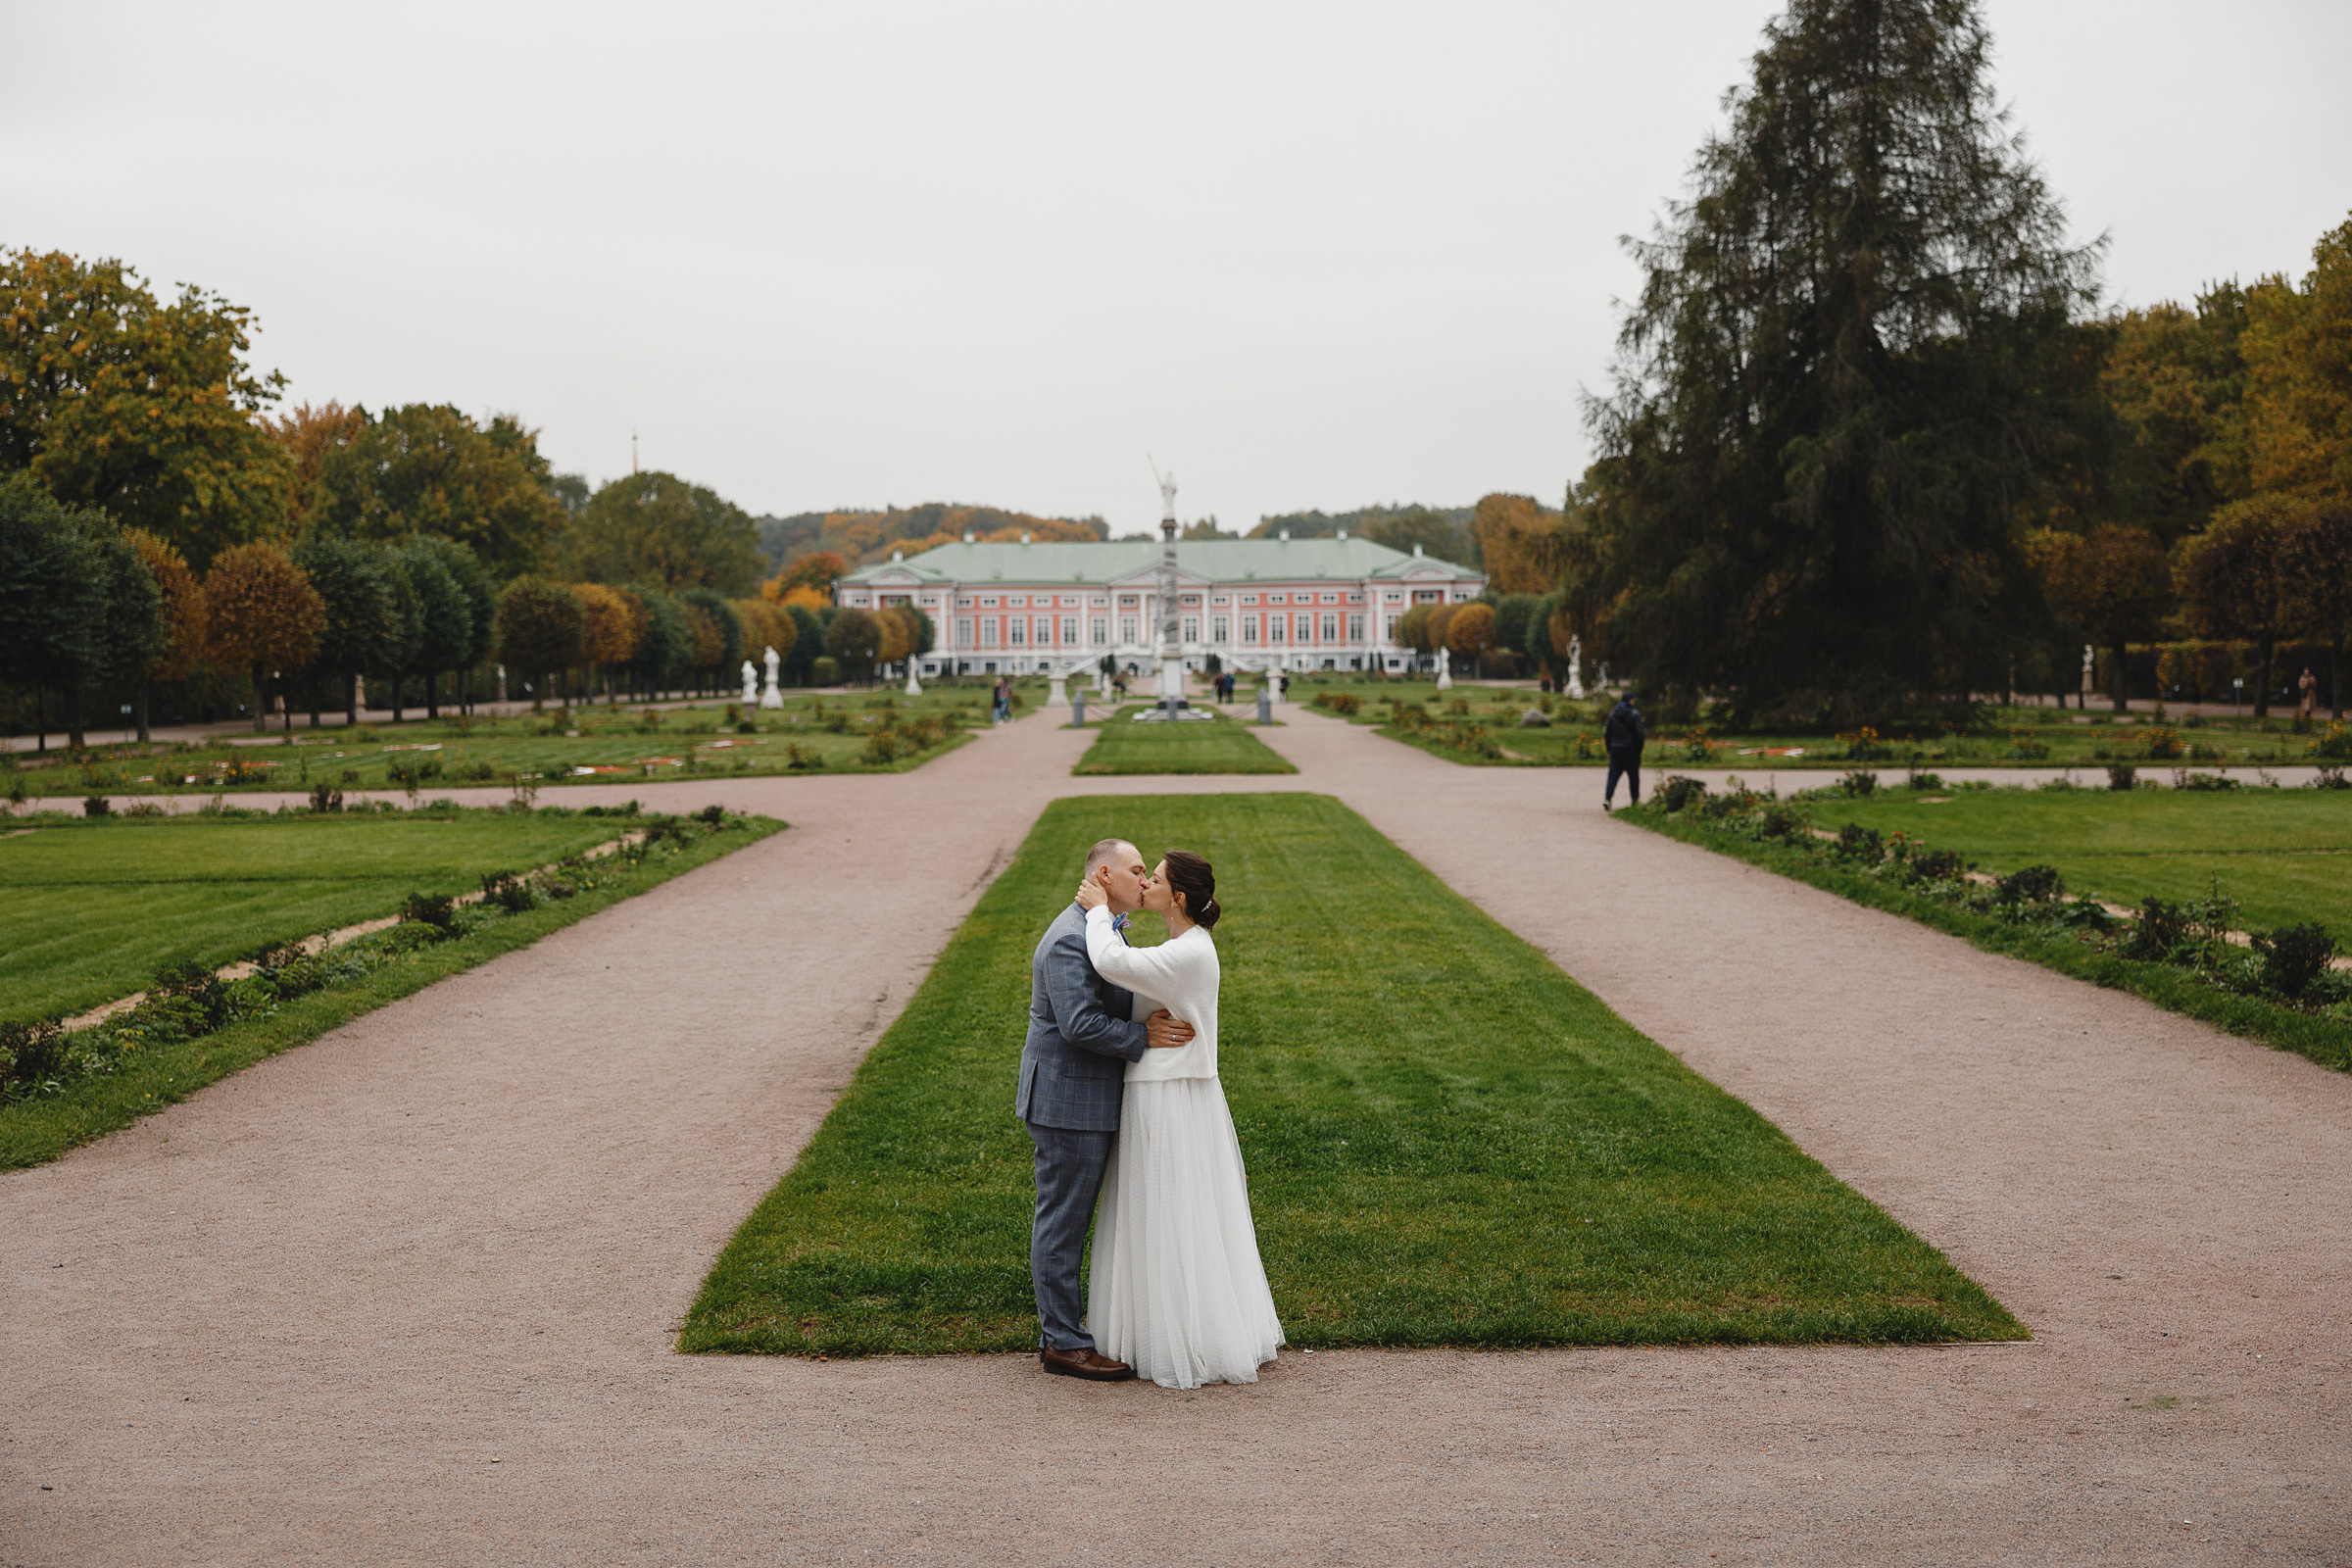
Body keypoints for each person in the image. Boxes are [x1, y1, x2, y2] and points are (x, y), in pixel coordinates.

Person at [1074, 849, 1282, 1389]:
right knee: (1168, 1212)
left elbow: (1111, 963)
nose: (1146, 884)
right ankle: (1164, 1329)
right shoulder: (1182, 948)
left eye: (1157, 879)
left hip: (1168, 1098)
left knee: (1171, 1213)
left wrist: (1097, 909)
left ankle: (1183, 1338)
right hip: (1166, 1091)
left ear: (1179, 898)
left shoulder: (1189, 954)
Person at [1016, 839, 1197, 1381]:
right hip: (1067, 1103)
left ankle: (1066, 1332)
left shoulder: (1103, 927)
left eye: (1148, 873)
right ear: (1104, 874)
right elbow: (1078, 1024)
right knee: (1062, 1223)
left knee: (1068, 1219)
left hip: (1083, 1099)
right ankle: (1062, 1344)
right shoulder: (1072, 939)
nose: (1144, 881)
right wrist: (1142, 1036)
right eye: (1137, 871)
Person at [1602, 691, 1645, 809]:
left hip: (1616, 749)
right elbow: (1640, 734)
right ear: (1630, 700)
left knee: (1613, 776)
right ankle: (1635, 800)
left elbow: (1608, 734)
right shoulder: (1635, 715)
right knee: (1634, 777)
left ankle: (1608, 798)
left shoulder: (1613, 714)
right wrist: (1638, 749)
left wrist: (1609, 748)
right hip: (1630, 750)